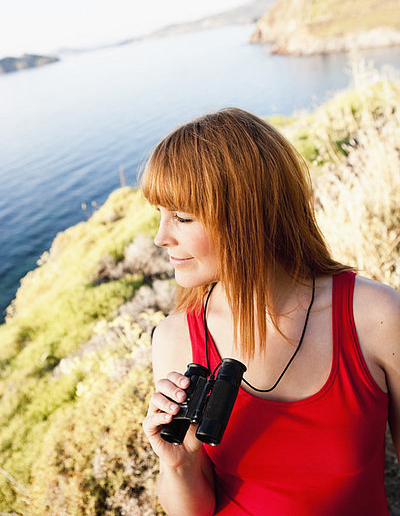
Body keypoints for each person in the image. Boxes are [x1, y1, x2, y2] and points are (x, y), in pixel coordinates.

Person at [141, 108, 399, 516]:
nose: (160, 237)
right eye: (159, 214)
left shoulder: (375, 317)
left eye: (183, 217)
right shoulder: (175, 339)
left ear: (247, 214)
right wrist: (176, 462)